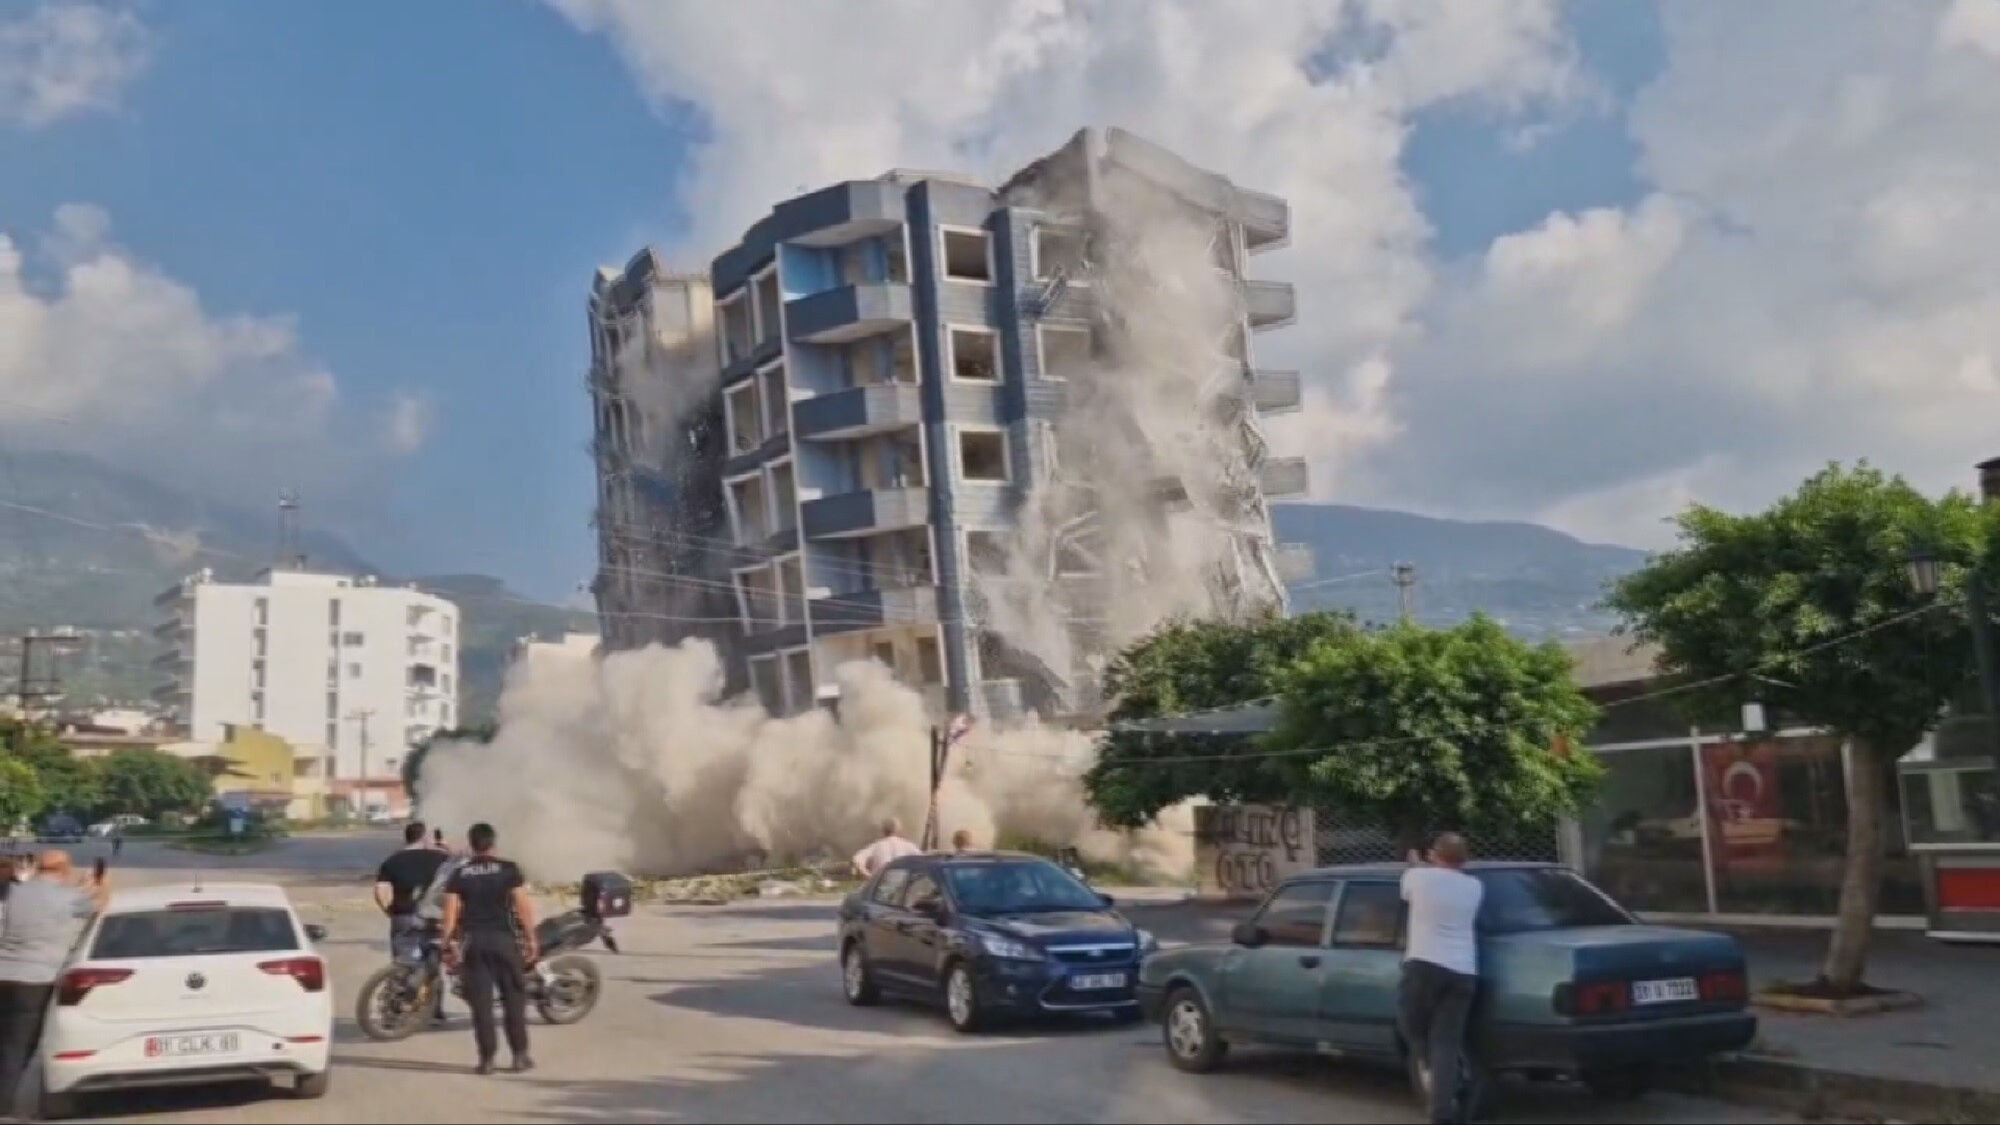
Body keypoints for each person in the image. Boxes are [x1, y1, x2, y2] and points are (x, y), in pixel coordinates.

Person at [0, 851, 104, 1114]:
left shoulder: (14, 892)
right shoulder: (70, 898)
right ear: (64, 869)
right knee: (18, 1044)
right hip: (35, 980)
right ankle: (3, 1107)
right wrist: (101, 883)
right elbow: (99, 907)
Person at [1399, 832, 1485, 1125]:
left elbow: (1408, 890)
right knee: (1446, 1043)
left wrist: (1414, 863)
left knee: (1410, 1025)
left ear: (1434, 854)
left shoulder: (1418, 878)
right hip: (1463, 970)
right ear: (1465, 860)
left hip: (1424, 965)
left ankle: (1425, 1062)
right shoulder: (1475, 886)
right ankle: (1442, 1113)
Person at [440, 823, 537, 1075]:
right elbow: (522, 906)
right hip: (504, 941)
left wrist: (447, 946)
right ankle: (519, 1056)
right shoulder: (509, 869)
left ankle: (487, 1060)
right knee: (514, 1000)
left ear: (471, 845)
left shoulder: (459, 874)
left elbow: (450, 914)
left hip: (474, 944)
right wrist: (531, 938)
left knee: (481, 1005)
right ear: (493, 843)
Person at [374, 821, 451, 1023]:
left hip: (403, 917)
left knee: (402, 964)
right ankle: (434, 1011)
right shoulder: (442, 859)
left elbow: (380, 892)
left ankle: (395, 1010)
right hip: (434, 919)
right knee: (433, 964)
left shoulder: (392, 861)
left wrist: (391, 913)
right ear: (426, 838)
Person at [852, 817, 921, 878]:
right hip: (901, 887)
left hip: (881, 886)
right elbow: (922, 860)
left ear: (883, 830)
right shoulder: (908, 846)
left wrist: (870, 877)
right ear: (898, 830)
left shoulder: (876, 846)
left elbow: (857, 860)